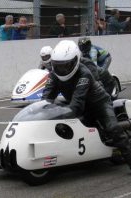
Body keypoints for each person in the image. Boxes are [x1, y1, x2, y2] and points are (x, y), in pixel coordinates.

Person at [42, 40, 131, 169]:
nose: (62, 69)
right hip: (79, 104)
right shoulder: (54, 75)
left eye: (66, 65)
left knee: (112, 128)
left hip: (98, 104)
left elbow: (76, 106)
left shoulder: (84, 73)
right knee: (55, 110)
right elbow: (46, 99)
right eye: (59, 65)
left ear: (76, 61)